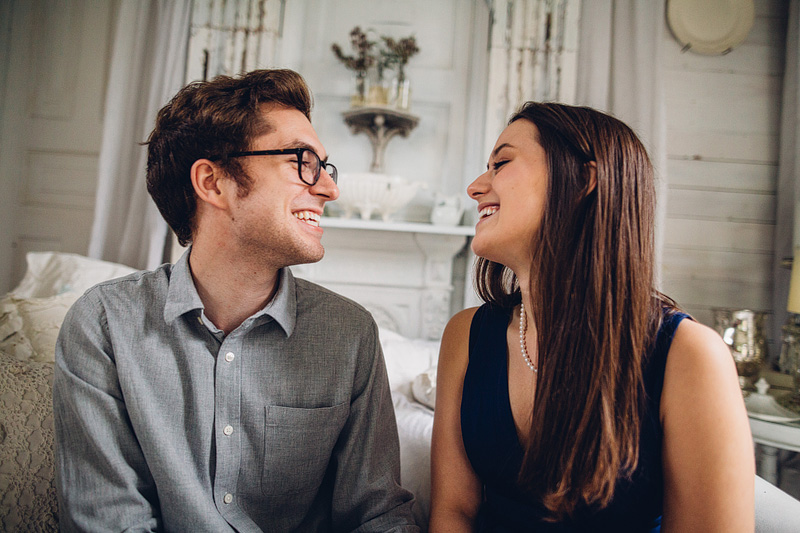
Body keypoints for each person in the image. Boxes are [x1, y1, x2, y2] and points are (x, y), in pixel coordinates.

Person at [53, 69, 418, 532]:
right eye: (302, 161)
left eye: (325, 167)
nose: (329, 188)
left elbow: (378, 514)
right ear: (213, 182)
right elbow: (109, 521)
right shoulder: (103, 325)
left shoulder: (349, 335)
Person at [429, 102, 754, 531]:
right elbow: (454, 511)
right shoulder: (465, 335)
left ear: (583, 180)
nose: (474, 187)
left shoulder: (689, 356)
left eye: (501, 163)